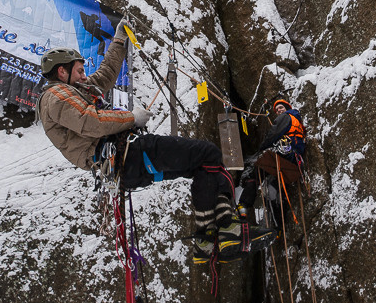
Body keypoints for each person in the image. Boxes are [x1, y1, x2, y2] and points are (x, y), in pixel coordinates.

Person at [37, 17, 272, 263]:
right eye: (79, 71)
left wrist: (119, 40)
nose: (85, 76)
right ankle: (227, 227)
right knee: (208, 153)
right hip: (125, 155)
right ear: (62, 71)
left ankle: (207, 239)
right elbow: (90, 121)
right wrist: (131, 118)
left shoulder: (75, 91)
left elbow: (105, 75)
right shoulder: (56, 96)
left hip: (124, 161)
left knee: (203, 166)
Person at [237, 96, 306, 222]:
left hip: (286, 153)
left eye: (281, 108)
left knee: (255, 173)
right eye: (277, 110)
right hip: (294, 158)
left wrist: (262, 148)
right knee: (273, 188)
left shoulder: (286, 116)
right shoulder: (297, 121)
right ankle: (279, 224)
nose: (279, 110)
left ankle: (243, 205)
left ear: (287, 108)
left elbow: (273, 133)